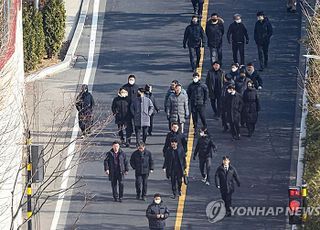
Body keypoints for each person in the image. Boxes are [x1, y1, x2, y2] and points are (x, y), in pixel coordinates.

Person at [122, 75, 139, 146]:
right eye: (130, 79)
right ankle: (128, 141)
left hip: (135, 110)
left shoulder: (137, 87)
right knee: (128, 127)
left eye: (132, 79)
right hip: (127, 110)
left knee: (137, 126)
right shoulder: (124, 87)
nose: (131, 80)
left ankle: (138, 142)